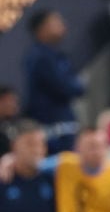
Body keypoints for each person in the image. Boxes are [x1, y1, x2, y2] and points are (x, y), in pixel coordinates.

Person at [23, 9, 84, 154]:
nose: (63, 24)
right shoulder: (39, 57)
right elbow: (67, 87)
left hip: (65, 126)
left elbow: (76, 87)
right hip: (52, 130)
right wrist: (75, 85)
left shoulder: (57, 55)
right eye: (55, 21)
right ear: (42, 29)